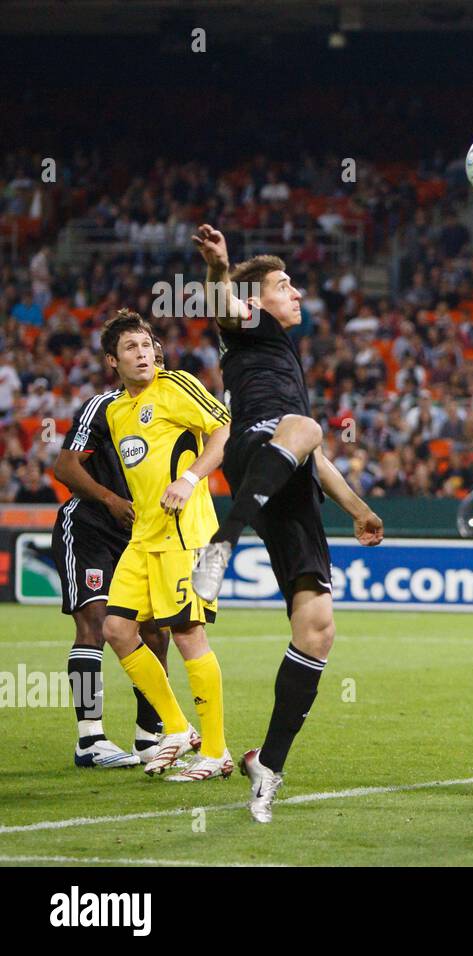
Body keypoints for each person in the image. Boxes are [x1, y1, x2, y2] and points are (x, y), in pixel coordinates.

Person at [190, 224, 385, 821]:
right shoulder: (251, 328)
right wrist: (221, 267)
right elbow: (222, 305)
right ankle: (223, 541)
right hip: (254, 448)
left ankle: (267, 765)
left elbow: (313, 454)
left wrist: (358, 509)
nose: (296, 293)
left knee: (318, 627)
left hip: (285, 471)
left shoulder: (282, 355)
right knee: (306, 426)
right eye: (284, 285)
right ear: (256, 302)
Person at [96, 310, 232, 780]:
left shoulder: (176, 385)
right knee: (115, 629)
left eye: (147, 344)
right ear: (113, 360)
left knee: (187, 634)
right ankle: (176, 728)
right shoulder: (115, 411)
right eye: (130, 348)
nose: (142, 354)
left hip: (188, 534)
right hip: (144, 537)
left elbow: (224, 431)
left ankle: (214, 751)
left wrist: (191, 478)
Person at [51, 370, 172, 768]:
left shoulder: (170, 410)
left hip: (140, 536)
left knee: (157, 631)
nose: (149, 360)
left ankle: (149, 738)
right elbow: (65, 467)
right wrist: (109, 499)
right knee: (96, 623)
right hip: (90, 527)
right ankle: (90, 740)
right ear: (115, 361)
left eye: (155, 353)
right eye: (136, 350)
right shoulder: (103, 407)